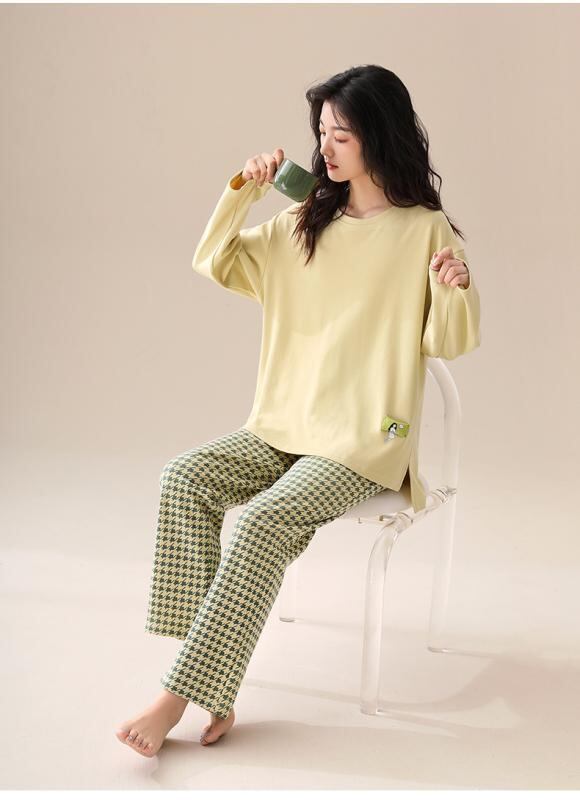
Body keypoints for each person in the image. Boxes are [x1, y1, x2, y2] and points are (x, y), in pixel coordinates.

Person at [116, 64, 481, 757]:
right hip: (284, 424)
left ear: (379, 135)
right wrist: (244, 191)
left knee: (261, 521)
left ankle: (175, 698)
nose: (326, 147)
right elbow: (214, 260)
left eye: (341, 134)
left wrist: (456, 287)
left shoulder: (425, 230)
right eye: (321, 133)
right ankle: (211, 678)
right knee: (184, 477)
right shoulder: (304, 219)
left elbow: (450, 342)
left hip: (364, 439)